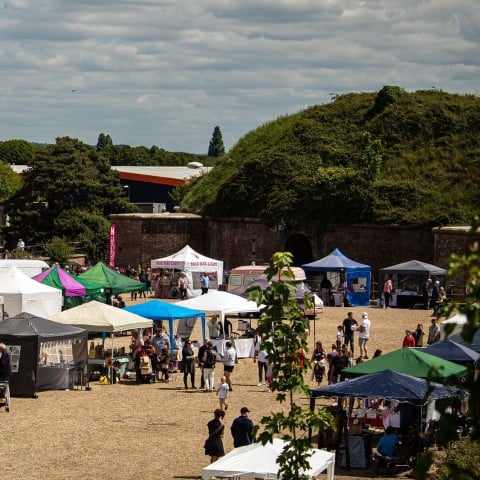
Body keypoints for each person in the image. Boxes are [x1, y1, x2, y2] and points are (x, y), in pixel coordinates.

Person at [0, 343, 11, 411]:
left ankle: (5, 404)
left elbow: (3, 364)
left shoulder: (5, 353)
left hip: (4, 375)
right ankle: (6, 404)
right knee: (5, 389)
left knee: (4, 390)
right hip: (6, 374)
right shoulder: (7, 352)